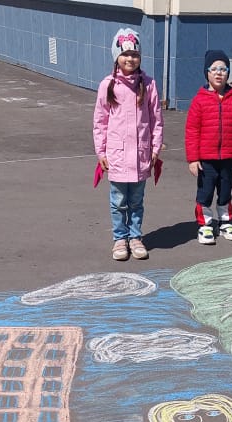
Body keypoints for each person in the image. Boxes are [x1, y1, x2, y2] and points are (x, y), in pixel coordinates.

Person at [93, 27, 164, 261]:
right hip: (116, 156)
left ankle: (135, 237)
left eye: (134, 54)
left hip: (141, 155)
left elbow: (156, 120)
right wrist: (101, 151)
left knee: (136, 201)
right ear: (116, 57)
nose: (130, 59)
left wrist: (155, 148)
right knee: (118, 202)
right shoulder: (108, 85)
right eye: (125, 54)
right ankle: (119, 239)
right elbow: (100, 121)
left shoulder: (149, 84)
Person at [184, 50, 232, 245]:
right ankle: (205, 225)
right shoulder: (199, 100)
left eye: (223, 69)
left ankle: (225, 222)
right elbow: (192, 131)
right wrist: (193, 158)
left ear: (228, 73)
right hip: (206, 159)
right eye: (214, 69)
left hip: (229, 157)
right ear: (206, 73)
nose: (219, 73)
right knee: (205, 192)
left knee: (225, 191)